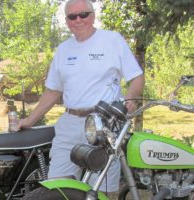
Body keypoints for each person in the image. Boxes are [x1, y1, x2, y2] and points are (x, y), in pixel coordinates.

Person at [18, 0, 145, 193]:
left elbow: (136, 77)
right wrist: (29, 120)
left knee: (99, 189)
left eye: (83, 14)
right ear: (67, 21)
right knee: (57, 187)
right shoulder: (63, 50)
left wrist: (129, 100)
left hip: (103, 124)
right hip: (69, 123)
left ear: (93, 16)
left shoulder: (112, 40)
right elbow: (53, 91)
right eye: (72, 16)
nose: (78, 20)